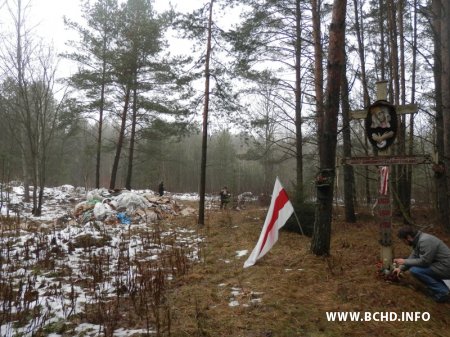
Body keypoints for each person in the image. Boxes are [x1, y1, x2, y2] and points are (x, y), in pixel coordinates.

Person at [393, 226, 450, 302]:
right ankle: (443, 287)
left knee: (415, 270)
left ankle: (443, 292)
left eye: (403, 240)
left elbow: (425, 262)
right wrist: (400, 268)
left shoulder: (425, 241)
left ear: (408, 237)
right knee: (417, 269)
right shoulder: (419, 240)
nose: (404, 243)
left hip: (446, 267)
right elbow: (413, 257)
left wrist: (404, 261)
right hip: (442, 266)